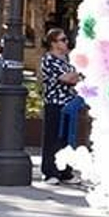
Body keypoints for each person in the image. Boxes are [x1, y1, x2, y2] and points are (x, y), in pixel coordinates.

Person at [38, 27, 82, 183]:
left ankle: (65, 171)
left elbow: (76, 77)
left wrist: (76, 76)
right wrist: (75, 76)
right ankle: (51, 172)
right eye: (62, 40)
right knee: (53, 137)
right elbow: (66, 78)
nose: (66, 42)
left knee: (67, 138)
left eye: (66, 39)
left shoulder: (68, 59)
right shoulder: (49, 59)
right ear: (53, 43)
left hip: (69, 103)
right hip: (55, 103)